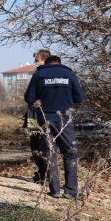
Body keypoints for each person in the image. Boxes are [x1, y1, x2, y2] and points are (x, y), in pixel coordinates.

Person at [24, 55, 85, 199]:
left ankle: (55, 190)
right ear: (59, 63)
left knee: (49, 153)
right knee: (70, 152)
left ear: (47, 63)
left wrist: (40, 106)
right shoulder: (69, 74)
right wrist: (68, 107)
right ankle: (70, 190)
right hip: (64, 120)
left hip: (44, 120)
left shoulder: (39, 75)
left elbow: (29, 98)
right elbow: (80, 97)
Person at [25, 49, 51, 183]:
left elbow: (29, 97)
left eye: (36, 59)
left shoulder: (39, 74)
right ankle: (46, 173)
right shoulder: (56, 74)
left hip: (34, 116)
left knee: (36, 144)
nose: (35, 61)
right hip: (51, 116)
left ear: (41, 58)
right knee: (47, 145)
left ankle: (42, 173)